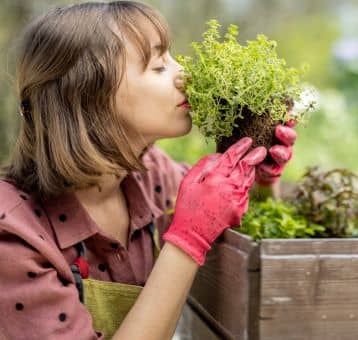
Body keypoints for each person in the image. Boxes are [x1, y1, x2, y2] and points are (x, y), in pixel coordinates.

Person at [0, 1, 297, 339]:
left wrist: (257, 180)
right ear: (89, 96)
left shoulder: (150, 174)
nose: (184, 74)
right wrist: (188, 240)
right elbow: (197, 230)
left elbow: (229, 221)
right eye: (158, 66)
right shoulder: (13, 237)